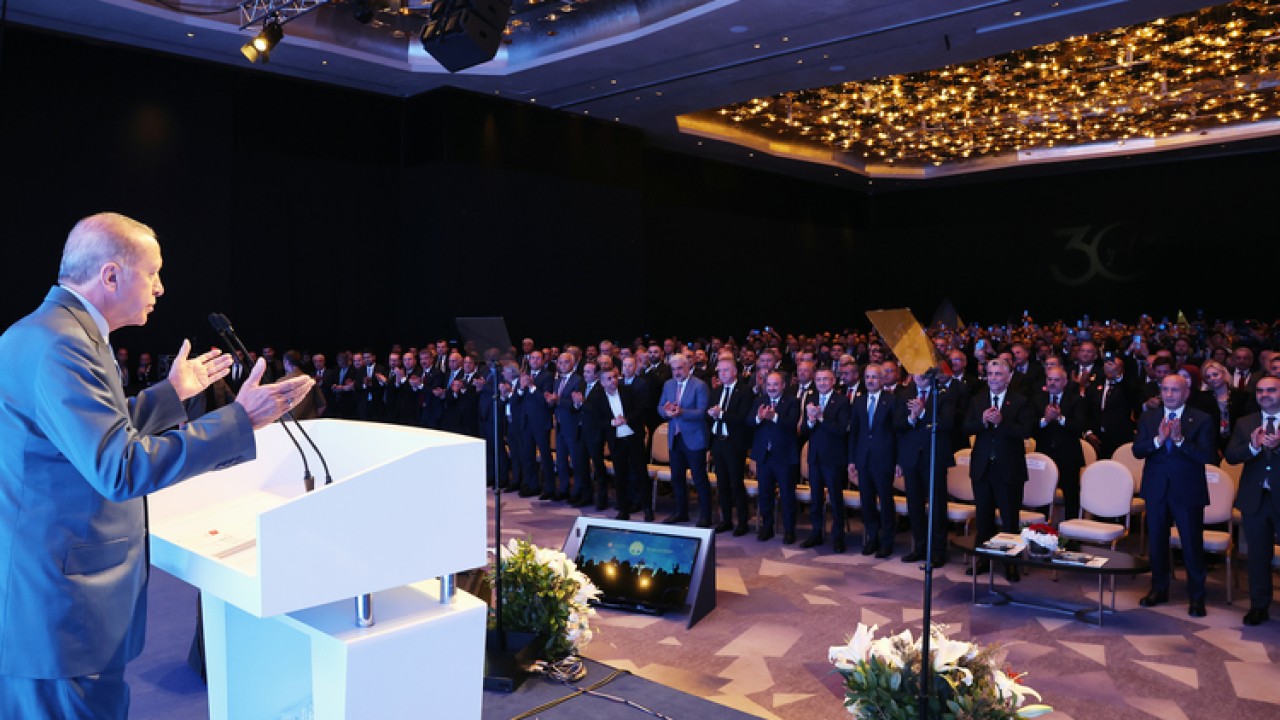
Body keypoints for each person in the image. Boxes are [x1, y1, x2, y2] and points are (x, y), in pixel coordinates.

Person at [0, 212, 312, 718]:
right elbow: (119, 467)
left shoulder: (50, 331)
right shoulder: (63, 345)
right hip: (63, 616)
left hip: (53, 602)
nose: (161, 288)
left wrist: (172, 394)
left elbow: (88, 437)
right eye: (153, 273)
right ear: (110, 275)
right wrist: (239, 420)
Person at [1133, 374, 1218, 617]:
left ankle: (1197, 596)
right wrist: (1158, 440)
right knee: (1157, 542)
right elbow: (1138, 450)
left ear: (1186, 393)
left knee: (1191, 544)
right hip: (1156, 488)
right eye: (1165, 389)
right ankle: (1159, 589)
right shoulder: (1149, 417)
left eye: (1175, 390)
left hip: (1187, 490)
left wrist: (1180, 440)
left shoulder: (1201, 419)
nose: (1169, 394)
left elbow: (1207, 456)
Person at [964, 358, 1033, 581]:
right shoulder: (977, 400)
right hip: (982, 468)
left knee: (1009, 519)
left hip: (1009, 469)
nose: (993, 378)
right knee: (983, 518)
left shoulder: (1020, 401)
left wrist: (1002, 421)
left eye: (998, 374)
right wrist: (982, 422)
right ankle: (983, 559)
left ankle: (1010, 563)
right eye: (990, 374)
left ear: (1009, 377)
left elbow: (1026, 431)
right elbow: (965, 427)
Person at [1224, 376, 1280, 626]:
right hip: (1255, 499)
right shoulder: (1246, 422)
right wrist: (1253, 447)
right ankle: (1259, 606)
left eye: (1271, 390)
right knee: (1257, 556)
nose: (1264, 394)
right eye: (1260, 391)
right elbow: (1231, 456)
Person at [847, 364, 897, 557]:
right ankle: (872, 538)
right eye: (867, 377)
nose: (870, 381)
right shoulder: (859, 401)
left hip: (884, 458)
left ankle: (887, 542)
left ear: (882, 380)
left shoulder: (891, 400)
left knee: (885, 501)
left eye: (874, 377)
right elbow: (854, 432)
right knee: (866, 501)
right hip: (863, 458)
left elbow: (897, 434)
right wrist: (852, 459)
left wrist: (898, 461)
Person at [658, 354, 712, 526]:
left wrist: (681, 412)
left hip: (694, 438)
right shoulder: (668, 384)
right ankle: (681, 512)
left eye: (680, 368)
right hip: (675, 437)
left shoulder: (699, 385)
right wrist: (666, 412)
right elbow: (660, 407)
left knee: (699, 478)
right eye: (674, 369)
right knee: (677, 477)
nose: (677, 372)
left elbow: (703, 412)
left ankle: (706, 516)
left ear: (688, 367)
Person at [800, 367, 851, 552]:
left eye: (825, 379)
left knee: (835, 499)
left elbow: (841, 430)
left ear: (833, 381)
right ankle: (816, 533)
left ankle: (838, 536)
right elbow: (804, 431)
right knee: (815, 498)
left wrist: (821, 418)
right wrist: (810, 421)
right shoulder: (811, 399)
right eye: (819, 380)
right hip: (815, 457)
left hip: (833, 458)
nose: (821, 383)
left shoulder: (842, 401)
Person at [707, 357, 753, 535]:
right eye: (719, 371)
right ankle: (726, 519)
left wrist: (721, 414)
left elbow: (743, 419)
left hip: (734, 443)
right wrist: (711, 414)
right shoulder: (716, 391)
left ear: (734, 372)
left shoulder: (745, 391)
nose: (722, 374)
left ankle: (742, 521)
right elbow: (709, 417)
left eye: (725, 370)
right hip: (718, 441)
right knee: (722, 483)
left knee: (736, 483)